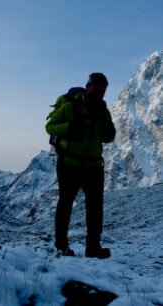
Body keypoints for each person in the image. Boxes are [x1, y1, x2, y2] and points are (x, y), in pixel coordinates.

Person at [45, 73, 116, 259]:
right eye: (98, 89)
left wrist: (110, 133)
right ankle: (62, 247)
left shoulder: (103, 110)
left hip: (93, 166)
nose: (101, 93)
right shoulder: (70, 105)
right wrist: (69, 127)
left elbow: (107, 137)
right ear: (88, 86)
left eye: (103, 90)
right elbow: (50, 127)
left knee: (95, 208)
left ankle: (93, 248)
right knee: (65, 206)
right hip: (69, 164)